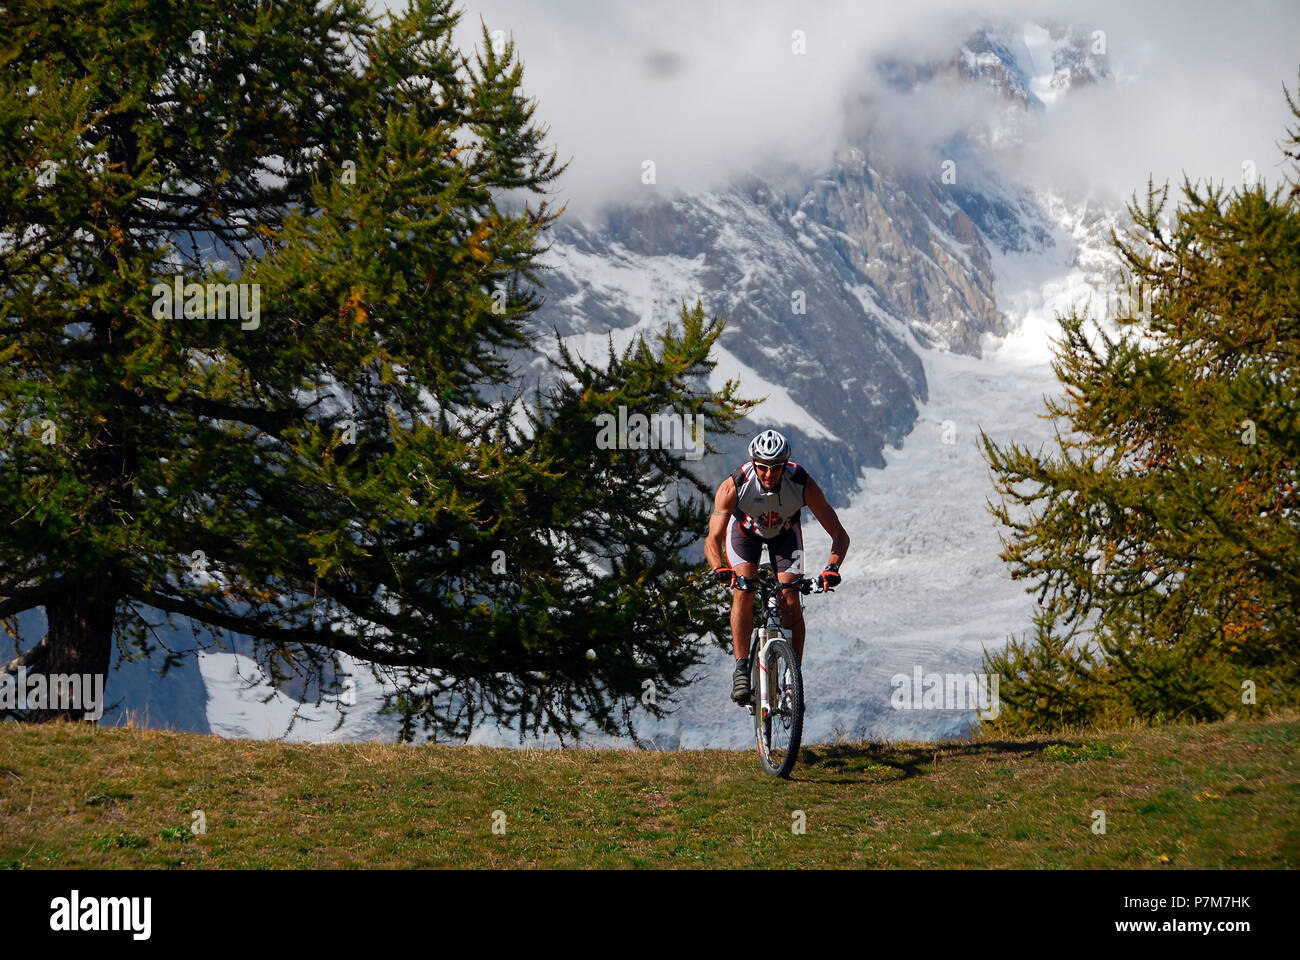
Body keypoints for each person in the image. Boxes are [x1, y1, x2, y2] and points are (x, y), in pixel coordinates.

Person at [704, 429, 849, 705]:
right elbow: (712, 538)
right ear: (754, 464)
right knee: (743, 591)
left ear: (786, 465)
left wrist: (832, 567)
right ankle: (741, 668)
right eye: (763, 468)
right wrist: (719, 567)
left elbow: (840, 535)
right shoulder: (734, 486)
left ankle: (793, 679)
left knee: (791, 600)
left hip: (785, 534)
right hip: (744, 534)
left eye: (776, 468)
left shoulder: (802, 483)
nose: (769, 475)